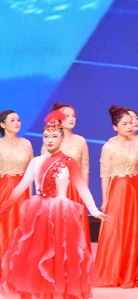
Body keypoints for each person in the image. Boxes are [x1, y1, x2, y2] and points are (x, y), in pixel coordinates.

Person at [0, 114, 105, 299]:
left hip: (60, 212)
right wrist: (3, 207)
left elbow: (81, 187)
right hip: (39, 212)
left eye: (54, 136)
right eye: (46, 136)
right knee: (38, 254)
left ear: (62, 138)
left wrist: (94, 210)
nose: (50, 140)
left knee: (60, 254)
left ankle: (57, 297)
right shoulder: (36, 161)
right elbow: (22, 186)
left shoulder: (69, 162)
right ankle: (42, 296)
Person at [96, 105, 138, 288]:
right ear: (115, 126)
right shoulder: (109, 146)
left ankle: (131, 272)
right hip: (117, 189)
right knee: (116, 230)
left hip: (135, 189)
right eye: (125, 124)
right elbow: (105, 175)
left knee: (134, 230)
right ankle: (113, 271)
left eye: (130, 123)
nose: (129, 126)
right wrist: (105, 199)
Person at [46, 103, 90, 245]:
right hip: (57, 190)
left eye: (73, 115)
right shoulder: (51, 139)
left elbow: (85, 168)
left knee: (76, 229)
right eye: (67, 116)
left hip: (76, 189)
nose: (71, 118)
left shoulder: (80, 141)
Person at [0, 111, 33, 256]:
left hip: (22, 191)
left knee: (22, 227)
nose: (17, 123)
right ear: (2, 124)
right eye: (12, 120)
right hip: (3, 190)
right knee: (3, 227)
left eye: (18, 120)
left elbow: (31, 172)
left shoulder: (26, 144)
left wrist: (31, 195)